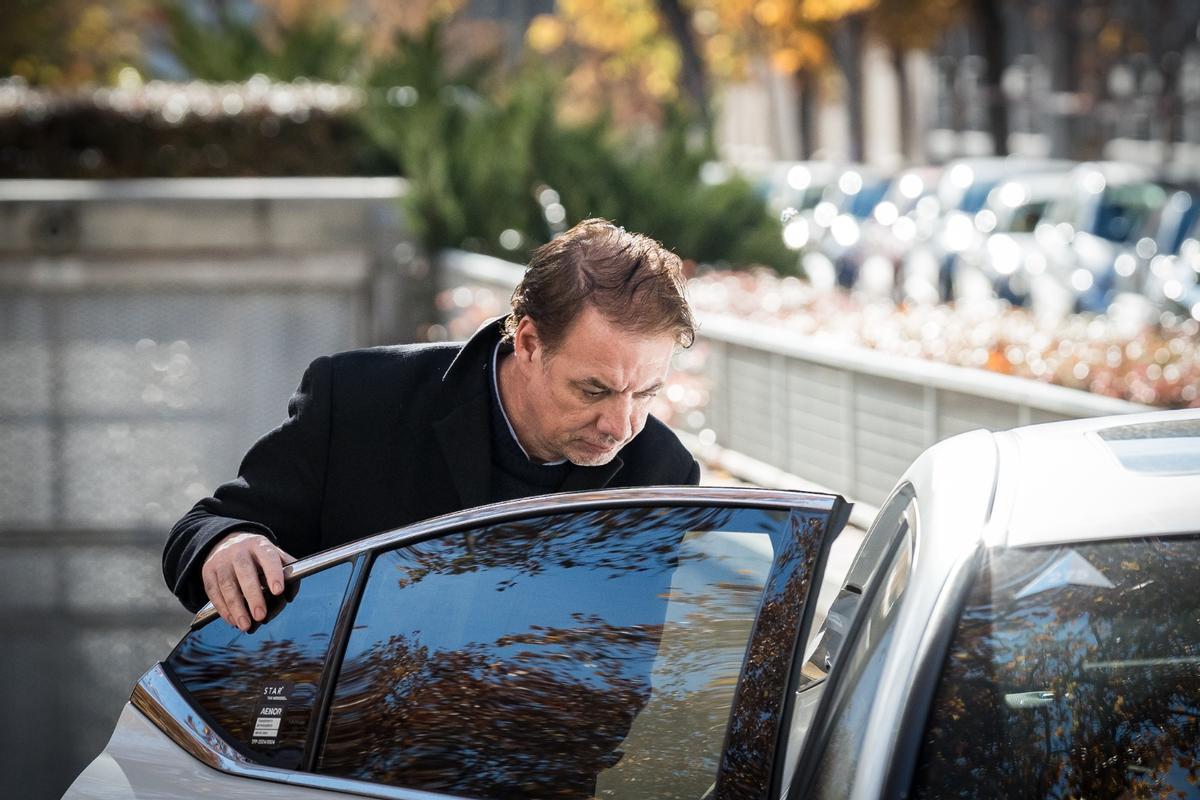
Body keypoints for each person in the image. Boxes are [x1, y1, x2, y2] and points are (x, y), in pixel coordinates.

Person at [163, 218, 701, 629]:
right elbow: (205, 527)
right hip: (332, 728)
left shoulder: (665, 474)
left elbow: (628, 671)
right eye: (593, 390)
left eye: (646, 393)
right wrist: (226, 544)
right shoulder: (357, 398)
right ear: (529, 343)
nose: (620, 425)